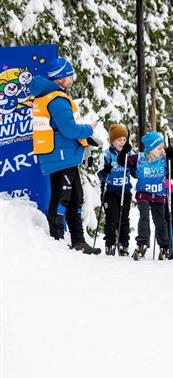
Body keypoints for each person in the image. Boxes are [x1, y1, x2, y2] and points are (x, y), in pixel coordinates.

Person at [30, 56, 100, 254]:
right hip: (60, 155)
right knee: (63, 197)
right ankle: (57, 240)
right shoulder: (56, 99)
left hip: (63, 154)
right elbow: (69, 129)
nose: (72, 79)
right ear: (60, 78)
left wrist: (85, 138)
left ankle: (78, 241)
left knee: (75, 197)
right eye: (69, 76)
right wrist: (88, 129)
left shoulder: (49, 96)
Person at [120, 131, 173, 259]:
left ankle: (164, 246)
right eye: (159, 148)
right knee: (144, 217)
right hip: (143, 193)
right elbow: (122, 162)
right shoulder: (139, 158)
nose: (162, 150)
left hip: (159, 194)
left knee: (160, 221)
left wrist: (172, 154)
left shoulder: (165, 159)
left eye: (162, 147)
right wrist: (124, 151)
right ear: (150, 149)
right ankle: (142, 243)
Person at [97, 123, 133, 256]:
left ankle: (124, 244)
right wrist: (105, 171)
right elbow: (99, 172)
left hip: (125, 190)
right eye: (119, 140)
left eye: (124, 139)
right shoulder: (106, 154)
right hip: (110, 191)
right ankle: (110, 244)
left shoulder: (129, 153)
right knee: (112, 219)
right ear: (112, 141)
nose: (122, 142)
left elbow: (135, 170)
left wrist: (130, 161)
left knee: (124, 219)